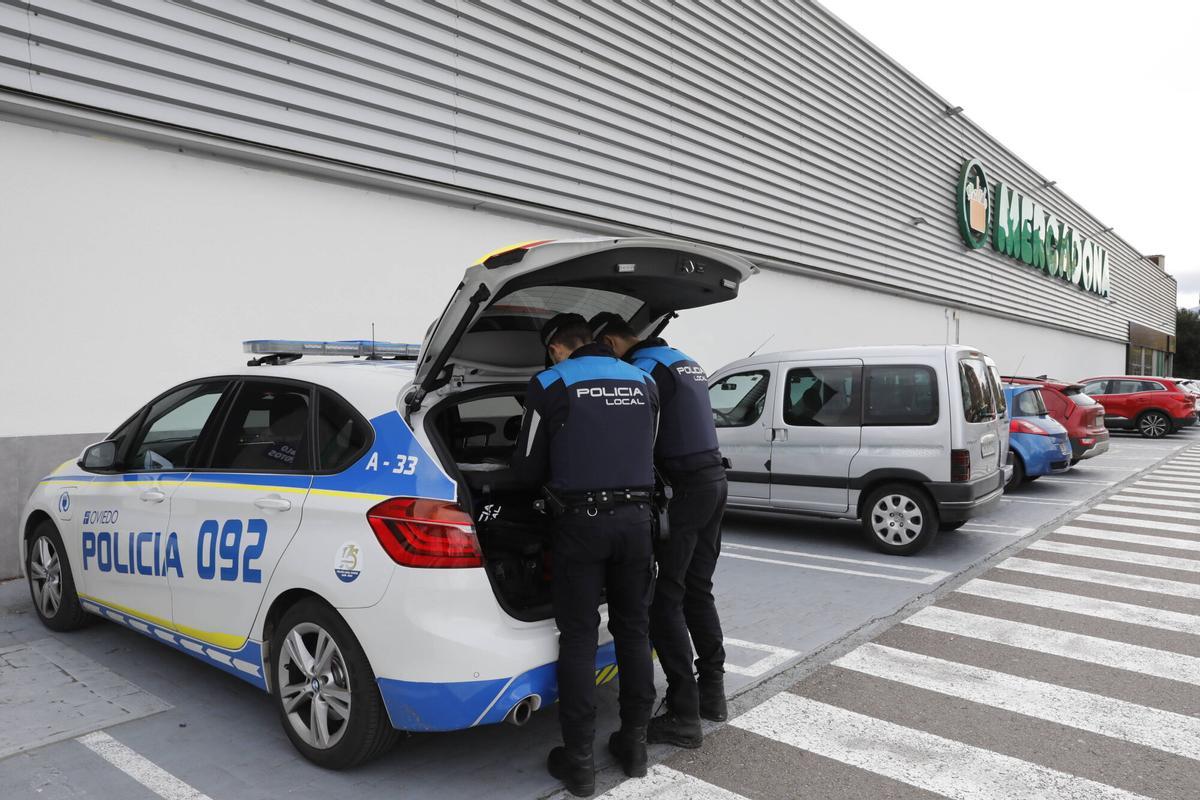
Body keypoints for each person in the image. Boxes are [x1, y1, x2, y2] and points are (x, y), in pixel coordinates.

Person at [513, 313, 660, 797]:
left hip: (581, 525)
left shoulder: (550, 383)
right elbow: (646, 448)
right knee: (634, 628)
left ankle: (578, 763)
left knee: (578, 637)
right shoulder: (643, 380)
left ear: (555, 347)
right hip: (638, 522)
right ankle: (635, 746)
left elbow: (526, 468)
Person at [590, 312, 729, 749]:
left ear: (610, 343)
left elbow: (632, 440)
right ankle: (712, 694)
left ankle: (683, 715)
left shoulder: (643, 370)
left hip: (682, 490)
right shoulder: (684, 360)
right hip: (713, 482)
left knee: (664, 601)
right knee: (697, 589)